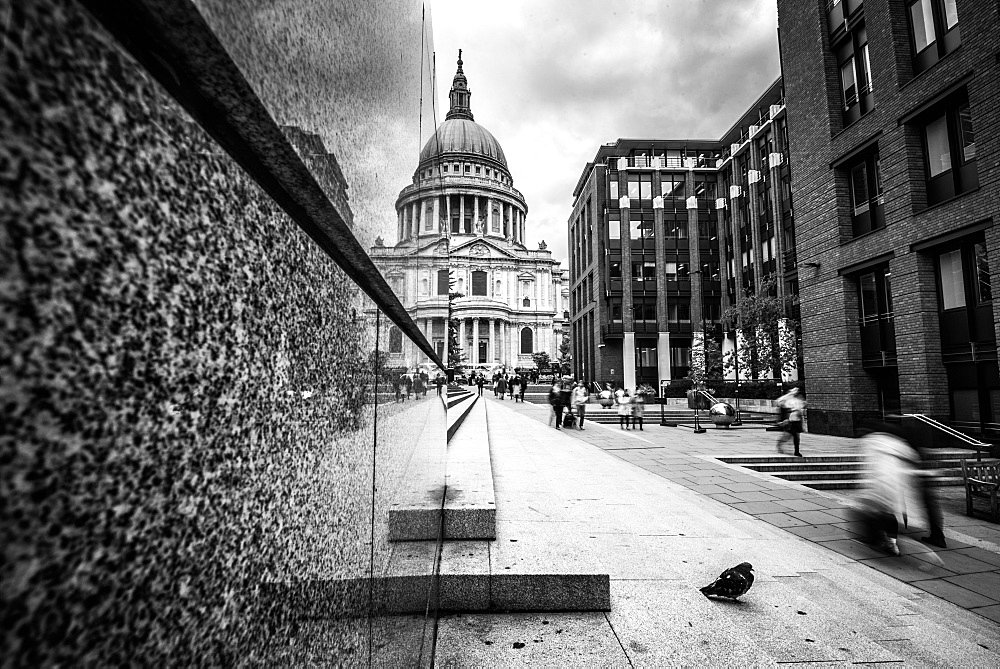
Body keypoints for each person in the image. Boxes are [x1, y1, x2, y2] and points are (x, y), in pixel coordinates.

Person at [857, 425, 920, 556]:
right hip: (894, 484)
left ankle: (880, 540)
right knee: (889, 513)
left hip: (881, 484)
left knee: (874, 512)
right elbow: (912, 458)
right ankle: (891, 541)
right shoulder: (897, 444)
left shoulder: (872, 442)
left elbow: (869, 466)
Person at [775, 387, 806, 456]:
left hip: (797, 419)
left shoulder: (799, 399)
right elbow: (780, 404)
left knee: (796, 436)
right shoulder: (787, 398)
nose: (796, 392)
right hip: (790, 420)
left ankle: (796, 451)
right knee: (788, 435)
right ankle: (780, 444)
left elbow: (801, 408)